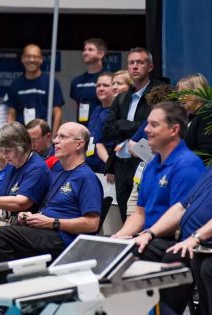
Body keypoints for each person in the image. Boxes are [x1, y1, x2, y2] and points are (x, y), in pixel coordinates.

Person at [0, 122, 102, 287]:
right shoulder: (57, 170)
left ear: (79, 144)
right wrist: (29, 216)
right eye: (57, 136)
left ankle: (5, 299)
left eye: (62, 137)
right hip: (43, 231)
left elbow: (92, 224)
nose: (56, 141)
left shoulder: (86, 177)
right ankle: (0, 296)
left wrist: (53, 223)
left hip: (63, 238)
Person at [112, 101, 205, 239]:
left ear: (174, 130)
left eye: (154, 125)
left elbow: (178, 218)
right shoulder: (151, 165)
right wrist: (119, 237)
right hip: (149, 237)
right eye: (147, 123)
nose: (146, 129)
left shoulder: (187, 165)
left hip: (172, 242)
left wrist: (146, 236)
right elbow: (139, 213)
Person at [133, 168, 212, 314]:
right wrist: (150, 233)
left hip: (203, 245)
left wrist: (195, 237)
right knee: (138, 249)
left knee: (203, 266)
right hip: (187, 242)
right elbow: (181, 207)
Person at [101, 47, 163, 222]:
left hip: (145, 159)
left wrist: (121, 125)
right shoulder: (121, 97)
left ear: (150, 67)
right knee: (124, 215)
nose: (135, 66)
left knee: (143, 214)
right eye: (131, 63)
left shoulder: (158, 92)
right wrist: (129, 126)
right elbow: (107, 130)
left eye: (140, 62)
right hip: (121, 163)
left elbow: (150, 127)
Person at [5, 43, 65, 132]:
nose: (31, 60)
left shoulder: (51, 82)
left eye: (35, 56)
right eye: (28, 56)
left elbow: (57, 112)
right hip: (22, 135)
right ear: (22, 59)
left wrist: (54, 137)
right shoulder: (15, 84)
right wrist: (12, 136)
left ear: (41, 59)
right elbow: (11, 114)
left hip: (44, 135)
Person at [175, 73, 212, 164]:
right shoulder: (193, 116)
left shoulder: (207, 114)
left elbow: (206, 152)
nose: (180, 98)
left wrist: (179, 162)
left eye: (184, 94)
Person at [70, 38, 107, 125]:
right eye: (85, 50)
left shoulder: (108, 78)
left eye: (90, 50)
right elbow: (76, 106)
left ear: (101, 54)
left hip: (103, 126)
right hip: (83, 127)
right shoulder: (77, 81)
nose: (85, 53)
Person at [87, 72, 114, 174]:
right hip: (91, 168)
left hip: (107, 171)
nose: (101, 88)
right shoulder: (96, 110)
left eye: (106, 85)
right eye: (98, 85)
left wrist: (110, 167)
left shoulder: (115, 112)